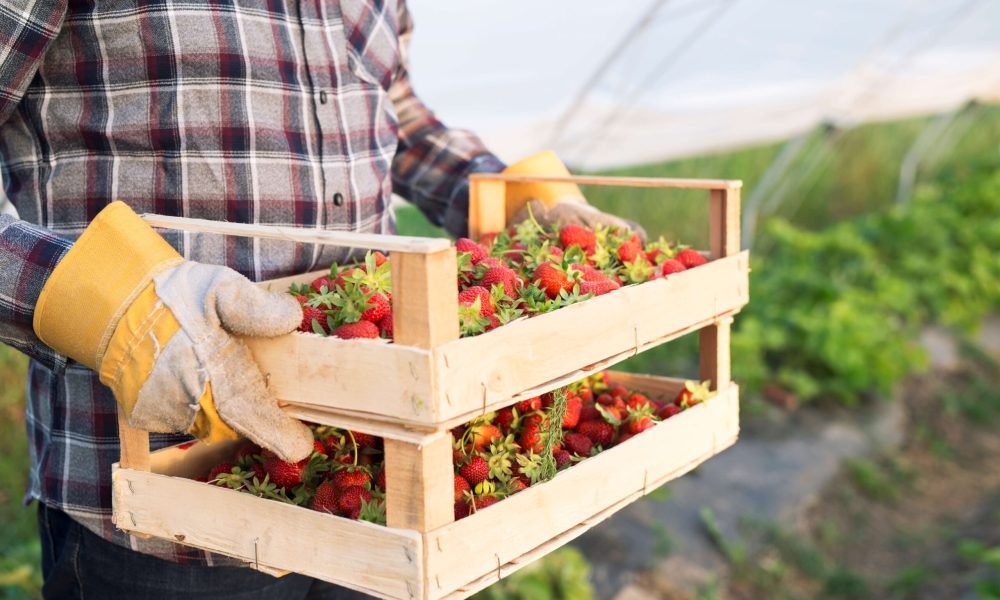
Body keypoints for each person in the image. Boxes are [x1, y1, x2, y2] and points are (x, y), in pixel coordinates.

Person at [0, 2, 637, 599]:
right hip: (164, 510)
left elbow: (396, 117)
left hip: (373, 477)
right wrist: (112, 310)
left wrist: (510, 199)